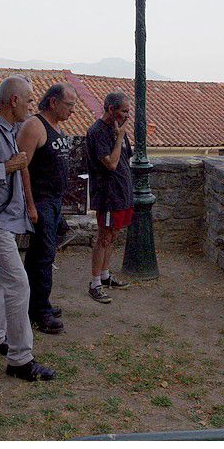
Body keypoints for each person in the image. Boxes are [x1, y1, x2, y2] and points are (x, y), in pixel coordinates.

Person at [0, 76, 57, 381]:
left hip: (2, 217)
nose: (32, 106)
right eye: (29, 100)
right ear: (13, 100)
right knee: (19, 285)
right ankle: (20, 359)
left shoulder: (8, 128)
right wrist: (6, 168)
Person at [18, 83, 77, 334]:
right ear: (53, 102)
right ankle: (40, 310)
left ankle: (38, 303)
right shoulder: (34, 126)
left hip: (53, 202)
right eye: (69, 105)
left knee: (42, 256)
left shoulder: (54, 126)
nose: (72, 111)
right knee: (42, 257)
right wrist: (30, 204)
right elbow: (21, 167)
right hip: (41, 201)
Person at [85, 92, 133, 304]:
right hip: (107, 195)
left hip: (122, 193)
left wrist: (121, 135)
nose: (127, 116)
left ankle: (104, 275)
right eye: (124, 111)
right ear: (111, 109)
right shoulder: (98, 132)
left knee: (113, 235)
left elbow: (124, 158)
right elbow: (111, 164)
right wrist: (120, 136)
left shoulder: (118, 129)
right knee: (104, 237)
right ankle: (94, 283)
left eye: (128, 111)